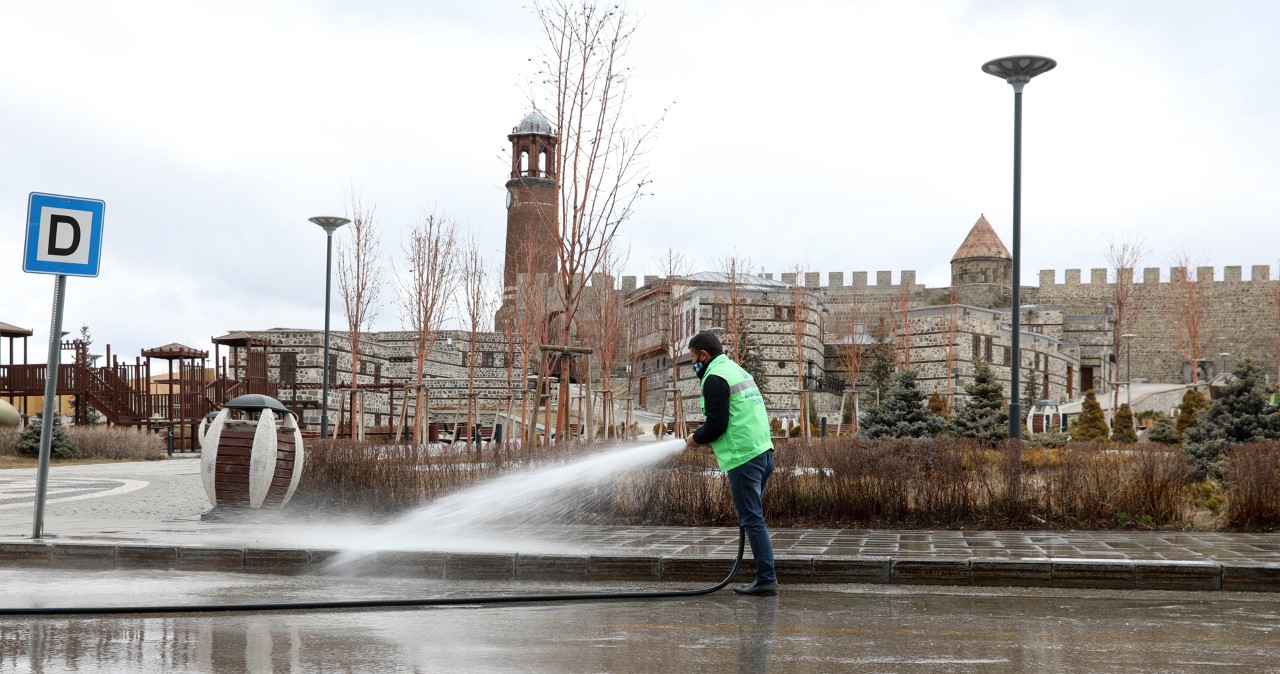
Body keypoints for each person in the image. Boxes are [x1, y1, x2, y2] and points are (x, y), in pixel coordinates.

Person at [684, 331, 778, 596]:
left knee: (752, 519)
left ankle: (767, 580)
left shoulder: (714, 378)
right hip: (763, 451)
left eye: (693, 358)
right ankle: (765, 577)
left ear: (703, 355)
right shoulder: (737, 370)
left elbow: (716, 426)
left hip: (744, 457)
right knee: (753, 517)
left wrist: (694, 438)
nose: (693, 364)